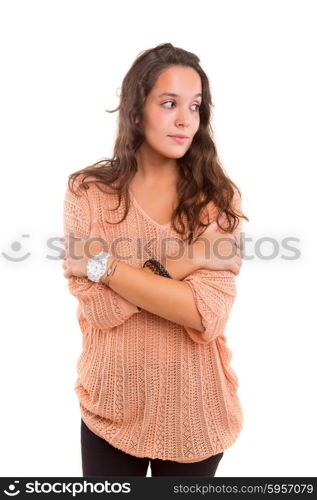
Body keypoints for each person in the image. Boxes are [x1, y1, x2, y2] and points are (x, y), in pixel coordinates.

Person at [61, 42, 249, 477]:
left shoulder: (217, 200)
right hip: (108, 407)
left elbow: (205, 314)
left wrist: (105, 266)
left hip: (195, 415)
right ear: (136, 109)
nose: (186, 120)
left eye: (195, 106)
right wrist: (195, 258)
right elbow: (103, 309)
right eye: (169, 104)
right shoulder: (87, 193)